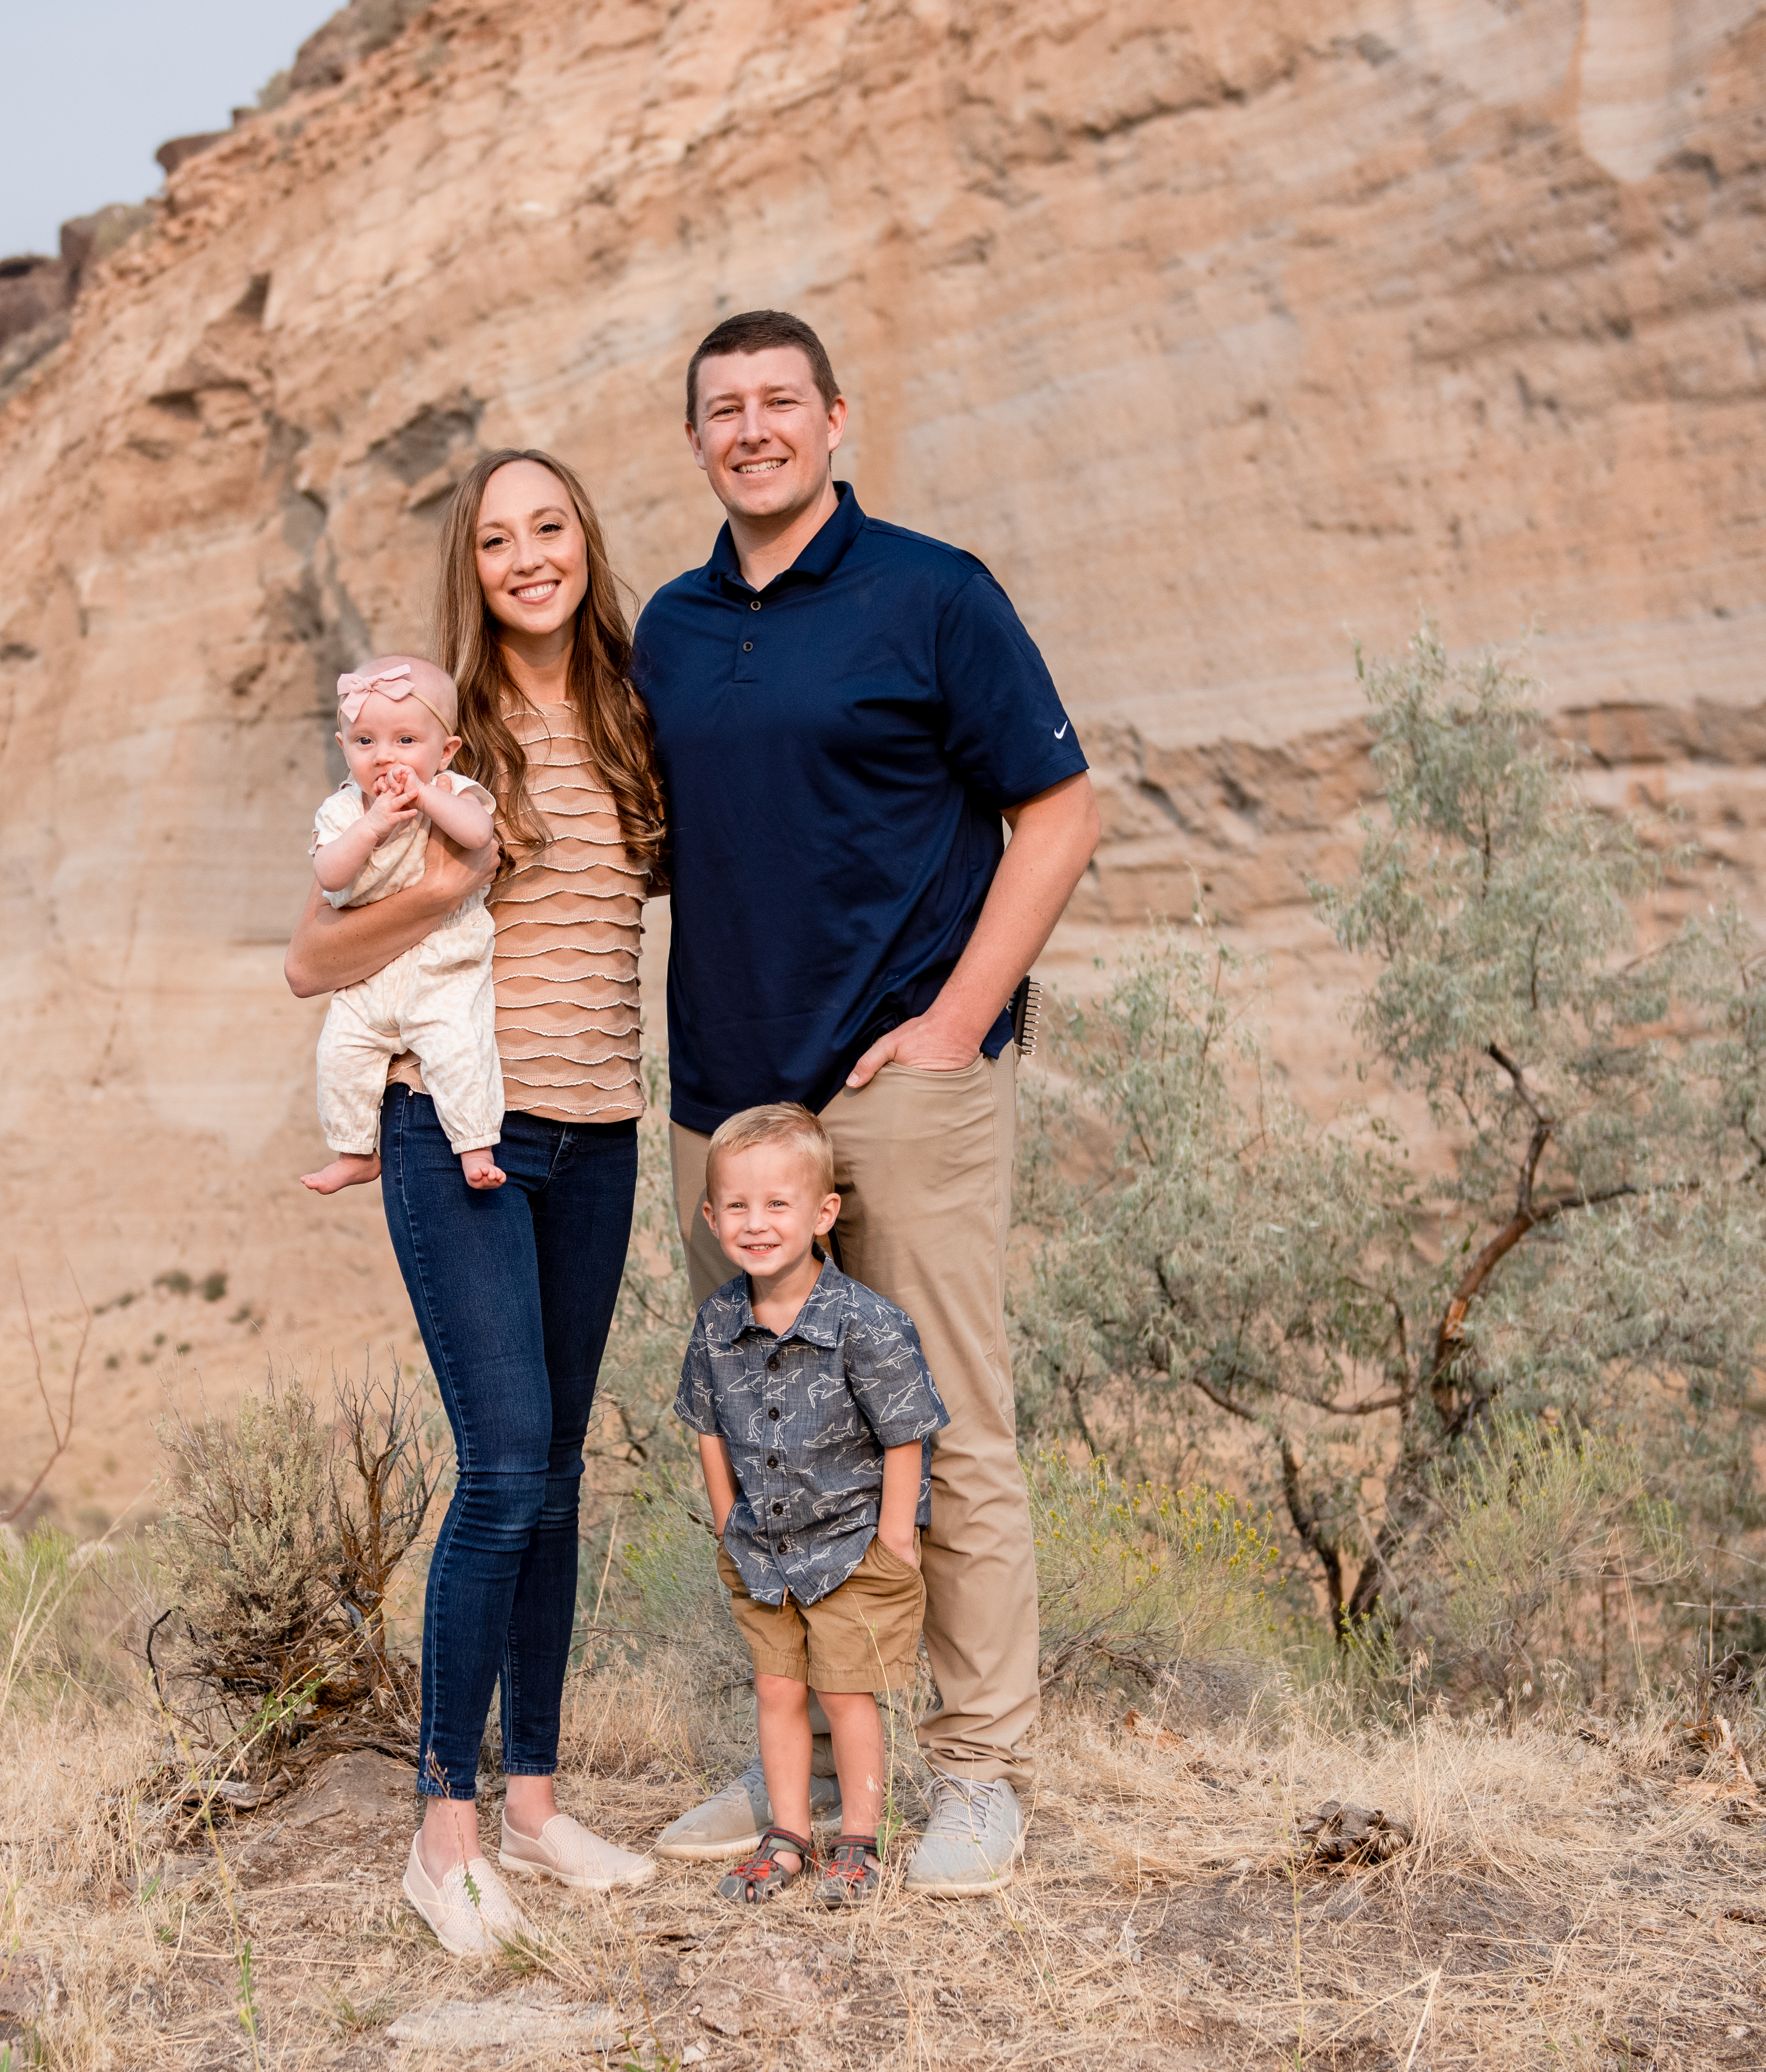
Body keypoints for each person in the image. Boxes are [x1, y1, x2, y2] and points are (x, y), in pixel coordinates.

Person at [634, 309, 1101, 1896]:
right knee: (760, 1439)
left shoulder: (931, 593)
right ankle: (800, 1759)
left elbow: (1059, 805)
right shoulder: (672, 629)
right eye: (722, 408)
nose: (751, 427)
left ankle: (975, 1770)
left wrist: (958, 1021)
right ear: (694, 439)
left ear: (835, 419)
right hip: (721, 1106)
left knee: (943, 1425)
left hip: (898, 1086)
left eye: (779, 401)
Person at [284, 447, 671, 1955]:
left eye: (549, 527)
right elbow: (310, 957)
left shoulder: (638, 716)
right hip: (460, 1135)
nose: (526, 556)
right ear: (474, 563)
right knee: (503, 1464)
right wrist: (444, 893)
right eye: (497, 537)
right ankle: (440, 1836)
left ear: (584, 539)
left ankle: (533, 1799)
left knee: (559, 1472)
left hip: (602, 1131)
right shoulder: (435, 727)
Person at [677, 1104, 944, 1908]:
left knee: (846, 1691)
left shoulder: (864, 1322)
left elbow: (906, 1433)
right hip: (762, 1549)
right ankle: (789, 1836)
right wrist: (727, 1517)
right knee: (777, 1689)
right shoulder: (719, 1321)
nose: (756, 1225)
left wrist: (895, 1535)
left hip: (851, 1546)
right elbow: (707, 1426)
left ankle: (860, 1837)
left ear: (823, 1212)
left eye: (778, 1205)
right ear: (711, 1215)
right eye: (738, 1206)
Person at [299, 655, 505, 1196]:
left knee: (459, 1047)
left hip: (443, 965)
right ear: (343, 747)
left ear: (447, 751)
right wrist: (372, 825)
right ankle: (352, 1151)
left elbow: (478, 833)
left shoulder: (450, 790)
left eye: (406, 741)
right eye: (364, 742)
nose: (385, 756)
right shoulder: (344, 812)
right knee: (340, 1053)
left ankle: (475, 1145)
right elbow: (330, 873)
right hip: (367, 977)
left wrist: (426, 796)